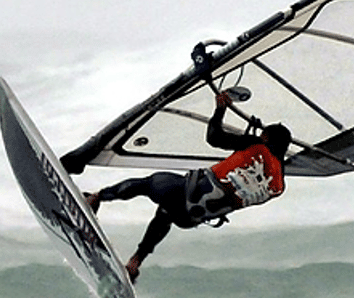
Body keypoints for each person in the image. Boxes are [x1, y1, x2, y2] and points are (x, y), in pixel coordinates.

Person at [85, 90, 291, 282]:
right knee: (164, 216)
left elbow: (214, 137)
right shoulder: (279, 187)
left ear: (266, 138)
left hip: (185, 192)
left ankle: (97, 197)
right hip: (192, 217)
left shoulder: (257, 145)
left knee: (147, 184)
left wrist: (220, 109)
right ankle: (135, 263)